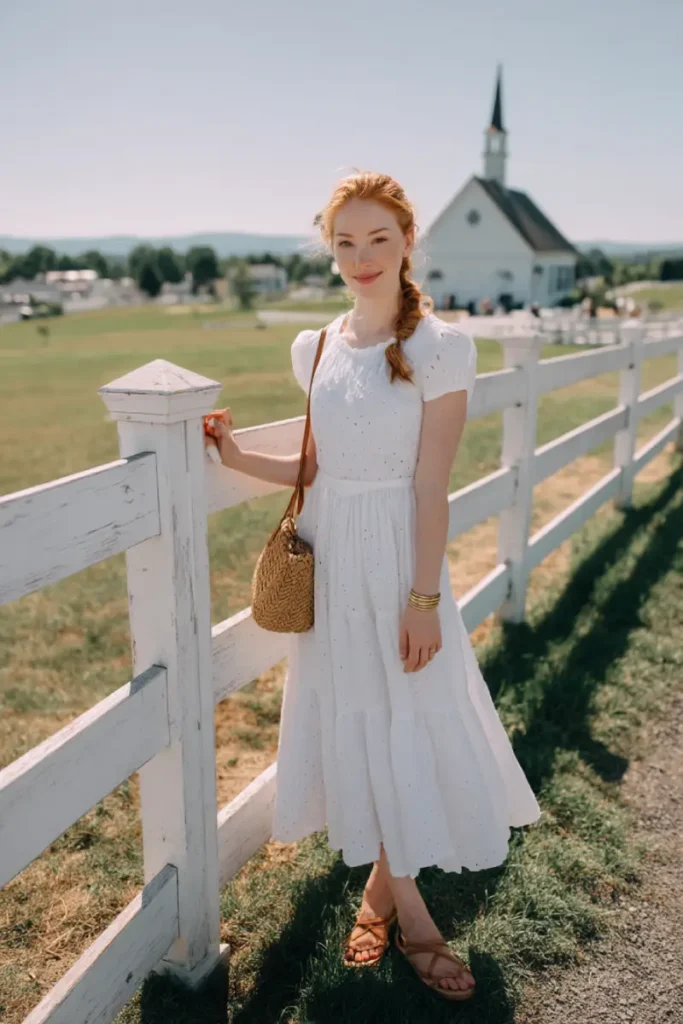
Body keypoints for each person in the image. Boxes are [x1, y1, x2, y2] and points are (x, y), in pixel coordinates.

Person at [204, 170, 541, 1002]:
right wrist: (239, 455)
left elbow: (432, 486)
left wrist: (423, 599)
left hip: (400, 559)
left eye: (377, 240)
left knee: (405, 717)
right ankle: (382, 896)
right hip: (332, 557)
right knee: (361, 717)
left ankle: (407, 917)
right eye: (344, 243)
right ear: (330, 250)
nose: (360, 258)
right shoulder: (313, 346)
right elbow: (319, 465)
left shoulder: (441, 346)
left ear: (405, 243)